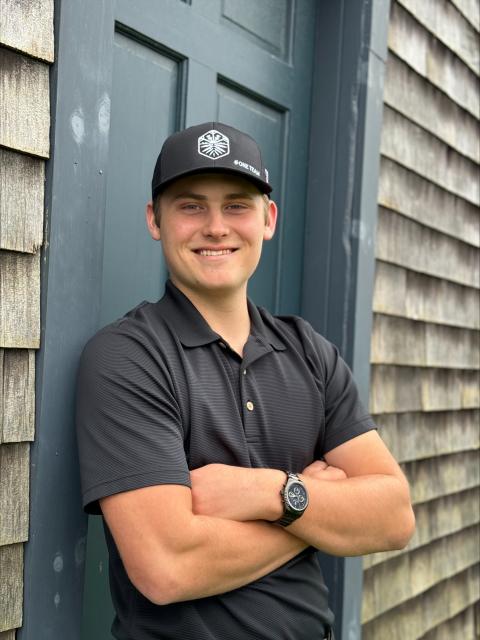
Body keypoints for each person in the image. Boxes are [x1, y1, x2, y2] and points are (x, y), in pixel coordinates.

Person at [76, 122, 415, 640]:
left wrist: (273, 494)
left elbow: (393, 516)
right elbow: (167, 567)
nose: (216, 227)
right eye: (190, 206)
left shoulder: (310, 353)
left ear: (268, 219)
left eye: (236, 205)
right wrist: (315, 512)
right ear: (155, 220)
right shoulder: (128, 357)